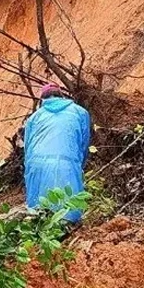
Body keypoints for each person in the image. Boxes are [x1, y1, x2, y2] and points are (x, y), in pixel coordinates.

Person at [24, 83, 91, 226]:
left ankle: (39, 223)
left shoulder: (34, 118)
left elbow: (27, 148)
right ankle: (67, 224)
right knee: (68, 212)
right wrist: (79, 165)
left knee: (39, 214)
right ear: (62, 96)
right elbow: (84, 144)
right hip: (67, 163)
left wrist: (29, 170)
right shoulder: (80, 112)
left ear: (42, 100)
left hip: (36, 165)